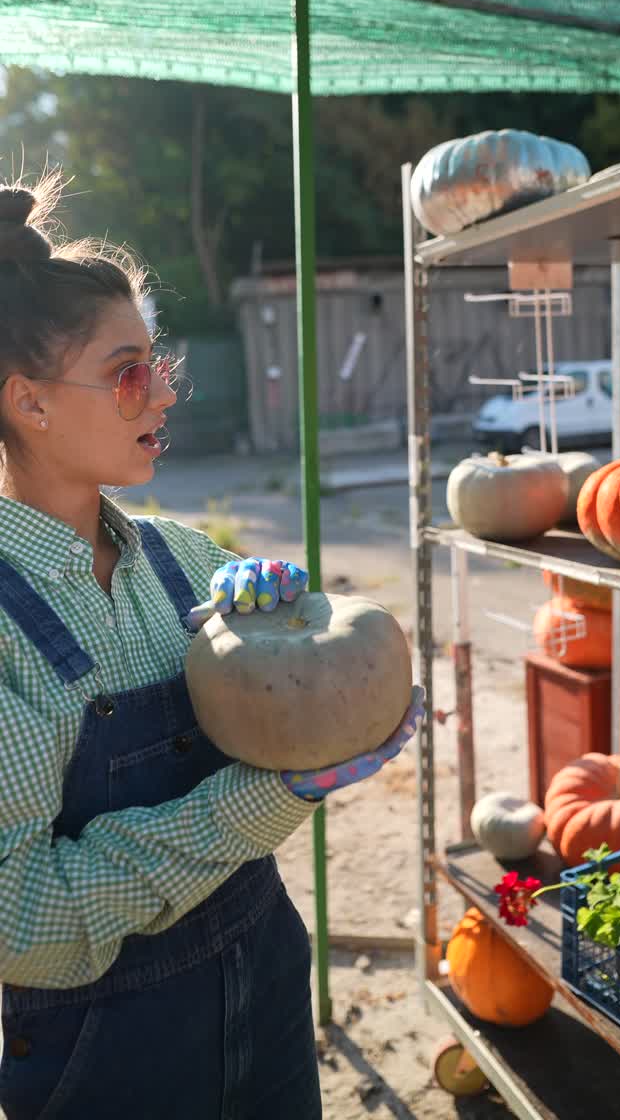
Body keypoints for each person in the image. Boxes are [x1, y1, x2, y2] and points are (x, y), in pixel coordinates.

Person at [0, 178, 423, 1120]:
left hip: (267, 991)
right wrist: (262, 800)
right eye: (126, 374)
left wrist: (289, 621)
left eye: (156, 363)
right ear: (27, 403)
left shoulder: (182, 557)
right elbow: (22, 922)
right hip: (105, 1061)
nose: (163, 392)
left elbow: (321, 677)